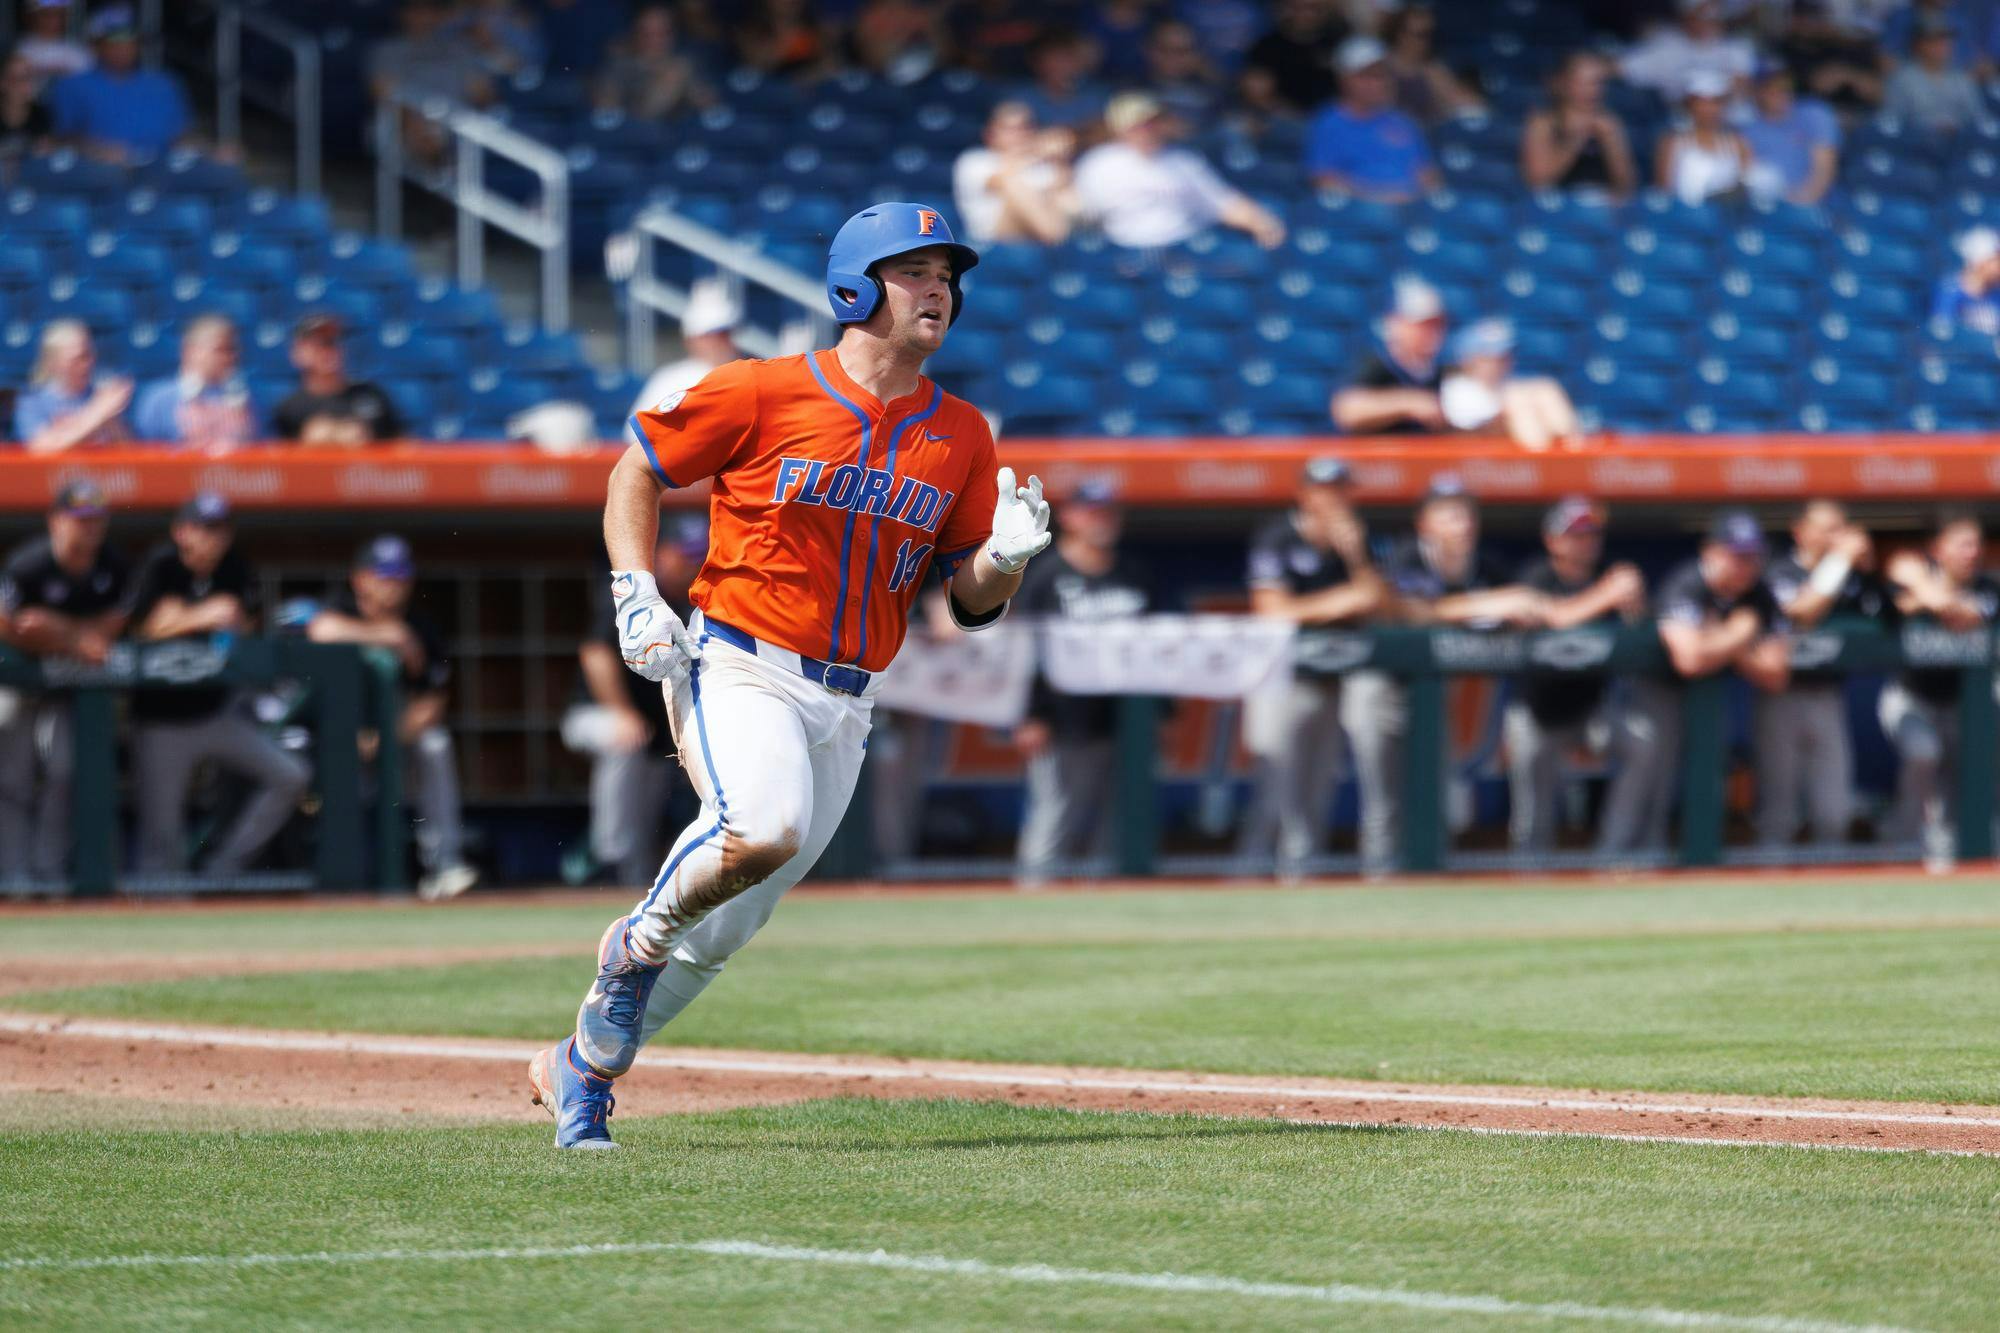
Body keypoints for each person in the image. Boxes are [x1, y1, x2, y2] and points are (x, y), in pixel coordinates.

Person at [526, 201, 1053, 1148]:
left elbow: (970, 604)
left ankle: (582, 1070)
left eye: (948, 275)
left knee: (725, 933)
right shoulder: (760, 389)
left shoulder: (964, 433)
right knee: (761, 827)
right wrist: (634, 587)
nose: (938, 287)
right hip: (740, 662)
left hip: (850, 700)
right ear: (856, 285)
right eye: (915, 269)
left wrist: (1006, 560)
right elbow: (635, 471)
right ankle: (631, 945)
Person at [1341, 476, 1547, 874]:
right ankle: (1378, 889)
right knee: (1384, 805)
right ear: (1425, 523)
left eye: (1466, 513)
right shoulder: (1404, 556)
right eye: (1450, 513)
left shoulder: (1485, 567)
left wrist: (1519, 611)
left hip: (1431, 696)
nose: (1462, 523)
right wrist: (1486, 602)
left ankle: (1430, 891)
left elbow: (1526, 604)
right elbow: (1413, 611)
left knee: (1439, 802)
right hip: (1379, 688)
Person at [125, 492, 310, 879]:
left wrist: (181, 619)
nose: (213, 538)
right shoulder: (159, 565)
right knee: (164, 842)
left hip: (217, 712)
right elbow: (140, 628)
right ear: (181, 531)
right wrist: (204, 615)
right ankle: (156, 921)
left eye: (220, 529)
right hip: (162, 718)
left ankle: (223, 870)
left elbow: (245, 627)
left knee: (290, 775)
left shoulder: (236, 569)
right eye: (203, 528)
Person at [307, 536, 478, 903]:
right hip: (335, 752)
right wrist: (387, 635)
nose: (393, 585)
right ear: (360, 579)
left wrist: (386, 739)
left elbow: (432, 705)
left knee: (435, 744)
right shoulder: (340, 608)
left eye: (400, 575)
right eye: (383, 575)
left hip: (392, 751)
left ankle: (444, 865)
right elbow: (318, 630)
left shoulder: (422, 626)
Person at [1239, 456, 1386, 878]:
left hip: (1331, 679)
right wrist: (1337, 602)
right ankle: (1248, 876)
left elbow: (1376, 600)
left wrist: (1357, 557)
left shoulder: (1358, 539)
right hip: (1279, 678)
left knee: (1318, 789)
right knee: (1275, 788)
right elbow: (1270, 610)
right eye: (1324, 489)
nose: (1334, 498)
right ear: (1305, 493)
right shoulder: (1278, 536)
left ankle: (1301, 879)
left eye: (1341, 489)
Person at [1012, 478, 1162, 888]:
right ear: (1070, 517)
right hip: (1061, 718)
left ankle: (1104, 905)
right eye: (1093, 512)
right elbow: (1026, 653)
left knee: (1118, 820)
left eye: (1109, 512)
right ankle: (1033, 897)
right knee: (1056, 811)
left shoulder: (1135, 574)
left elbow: (1162, 646)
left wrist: (1162, 716)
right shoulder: (1045, 575)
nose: (1103, 521)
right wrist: (1031, 715)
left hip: (1123, 717)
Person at [1504, 498, 1656, 855]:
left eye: (1591, 534)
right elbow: (1555, 617)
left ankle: (1612, 851)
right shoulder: (1535, 575)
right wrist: (1608, 594)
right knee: (1531, 813)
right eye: (1575, 534)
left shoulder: (1610, 575)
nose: (1586, 542)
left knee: (1642, 743)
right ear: (1553, 540)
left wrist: (1634, 602)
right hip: (1538, 711)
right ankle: (1529, 870)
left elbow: (1643, 631)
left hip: (1592, 708)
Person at [564, 516, 707, 887]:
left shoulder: (696, 606)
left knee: (647, 811)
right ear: (661, 553)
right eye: (684, 554)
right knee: (623, 741)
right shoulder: (635, 594)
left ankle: (628, 883)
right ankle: (607, 857)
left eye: (698, 556)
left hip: (654, 734)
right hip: (595, 716)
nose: (691, 564)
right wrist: (622, 712)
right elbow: (594, 654)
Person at [1638, 511, 1792, 852]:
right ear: (1711, 552)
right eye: (1737, 555)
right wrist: (1740, 636)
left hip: (1711, 700)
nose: (1746, 565)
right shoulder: (1686, 582)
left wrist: (1723, 639)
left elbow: (1776, 675)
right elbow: (1689, 660)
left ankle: (1693, 860)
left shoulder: (1759, 594)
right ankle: (1621, 857)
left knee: (1711, 777)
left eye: (1752, 556)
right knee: (1650, 777)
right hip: (1659, 692)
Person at [0, 481, 127, 889]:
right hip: (18, 685)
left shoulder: (113, 565)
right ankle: (14, 873)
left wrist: (56, 631)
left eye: (95, 521)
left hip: (68, 695)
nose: (88, 529)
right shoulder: (28, 564)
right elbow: (8, 626)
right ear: (55, 521)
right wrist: (74, 639)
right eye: (79, 520)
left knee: (63, 775)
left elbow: (108, 632)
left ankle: (48, 872)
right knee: (12, 779)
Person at [1757, 500, 1881, 850]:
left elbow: (1884, 615)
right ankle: (1766, 888)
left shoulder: (1850, 577)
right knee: (1779, 811)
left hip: (1828, 695)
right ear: (1801, 532)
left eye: (1841, 529)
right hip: (1781, 695)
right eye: (1828, 529)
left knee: (1834, 812)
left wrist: (1867, 570)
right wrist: (1840, 561)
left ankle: (1834, 897)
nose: (1837, 538)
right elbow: (1801, 611)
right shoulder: (1780, 570)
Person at [1881, 509, 1999, 871]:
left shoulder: (1987, 587)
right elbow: (1894, 600)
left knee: (1968, 777)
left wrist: (1923, 589)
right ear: (1938, 548)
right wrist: (1917, 587)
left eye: (1975, 545)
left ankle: (1958, 854)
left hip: (1965, 703)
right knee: (1923, 754)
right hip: (1913, 696)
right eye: (1962, 545)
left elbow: (1963, 613)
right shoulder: (1907, 580)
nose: (1971, 553)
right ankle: (1901, 846)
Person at [1074, 92, 1285, 250]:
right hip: (1122, 251)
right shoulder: (1099, 163)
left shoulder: (1183, 161)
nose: (1149, 129)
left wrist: (1260, 223)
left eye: (1154, 122)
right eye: (1141, 124)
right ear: (1120, 127)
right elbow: (1082, 216)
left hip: (1183, 247)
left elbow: (1223, 203)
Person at [46, 7, 192, 162]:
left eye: (129, 41)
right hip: (98, 172)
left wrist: (202, 148)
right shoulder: (71, 85)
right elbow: (60, 139)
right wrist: (95, 150)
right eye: (114, 41)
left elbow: (183, 135)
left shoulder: (165, 84)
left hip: (162, 171)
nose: (123, 48)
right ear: (96, 46)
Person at [1305, 35, 1441, 201]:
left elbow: (1427, 175)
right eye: (1366, 76)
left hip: (1411, 211)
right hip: (1356, 213)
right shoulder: (1328, 123)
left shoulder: (1403, 121)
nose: (1375, 83)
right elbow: (1324, 180)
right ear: (1344, 79)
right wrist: (1383, 199)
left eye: (1380, 76)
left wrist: (1420, 198)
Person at [1440, 318, 1583, 451]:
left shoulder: (1506, 386)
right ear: (1470, 359)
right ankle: (1544, 462)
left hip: (1507, 454)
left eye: (1505, 356)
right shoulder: (1457, 388)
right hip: (1472, 456)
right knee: (1518, 402)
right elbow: (1467, 429)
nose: (1500, 362)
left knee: (1545, 390)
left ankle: (1570, 454)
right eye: (1491, 357)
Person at [1333, 276, 1449, 435]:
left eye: (1436, 324)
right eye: (1422, 325)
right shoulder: (1377, 364)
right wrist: (1409, 403)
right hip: (1375, 458)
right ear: (1396, 324)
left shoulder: (1443, 371)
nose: (1432, 332)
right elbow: (1347, 410)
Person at [953, 100, 1078, 246]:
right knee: (1013, 186)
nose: (1019, 134)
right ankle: (1059, 242)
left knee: (1066, 197)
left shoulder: (1041, 164)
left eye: (1025, 127)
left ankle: (1066, 247)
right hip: (993, 239)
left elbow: (1063, 188)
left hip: (1037, 235)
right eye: (1010, 129)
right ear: (990, 133)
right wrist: (1036, 152)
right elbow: (1000, 181)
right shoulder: (975, 159)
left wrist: (1060, 160)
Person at [132, 316, 264, 450]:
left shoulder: (248, 398)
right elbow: (145, 452)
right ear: (191, 351)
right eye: (220, 350)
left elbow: (262, 449)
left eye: (232, 350)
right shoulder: (160, 399)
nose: (230, 358)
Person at [271, 315, 404, 446]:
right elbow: (275, 459)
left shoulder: (372, 395)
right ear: (298, 353)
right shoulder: (290, 408)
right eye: (320, 344)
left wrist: (365, 441)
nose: (329, 350)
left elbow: (400, 449)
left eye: (334, 342)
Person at [1520, 51, 1638, 198]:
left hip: (1600, 205)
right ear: (1562, 83)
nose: (1593, 90)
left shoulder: (1609, 122)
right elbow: (1538, 180)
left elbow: (1626, 184)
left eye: (1597, 83)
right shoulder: (1542, 123)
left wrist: (1610, 141)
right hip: (1555, 205)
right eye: (1582, 82)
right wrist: (1578, 137)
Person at [625, 280, 745, 423]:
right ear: (692, 340)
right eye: (713, 335)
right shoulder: (670, 380)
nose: (721, 342)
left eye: (725, 334)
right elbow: (637, 434)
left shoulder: (748, 377)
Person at [11, 319, 129, 452]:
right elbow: (42, 449)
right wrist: (98, 414)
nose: (87, 364)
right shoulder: (32, 403)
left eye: (89, 355)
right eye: (78, 359)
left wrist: (112, 421)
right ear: (53, 363)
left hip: (102, 473)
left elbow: (127, 452)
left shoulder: (101, 396)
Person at [1741, 62, 1841, 205]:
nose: (1781, 92)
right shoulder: (1749, 130)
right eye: (1772, 87)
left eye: (1786, 86)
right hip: (1770, 204)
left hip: (1818, 203)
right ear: (1758, 91)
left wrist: (1803, 201)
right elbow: (1749, 175)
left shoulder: (1813, 113)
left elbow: (1824, 170)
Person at [1619, 0, 1755, 103]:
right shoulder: (1666, 45)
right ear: (1687, 18)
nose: (1706, 23)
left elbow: (1740, 85)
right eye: (1700, 17)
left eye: (1712, 17)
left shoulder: (1736, 48)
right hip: (1679, 118)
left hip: (1726, 119)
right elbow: (1624, 67)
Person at [593, 5, 712, 121]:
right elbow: (606, 113)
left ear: (674, 35)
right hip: (631, 138)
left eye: (662, 33)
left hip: (678, 137)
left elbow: (711, 108)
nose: (654, 40)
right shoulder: (618, 65)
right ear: (634, 34)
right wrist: (664, 86)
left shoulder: (686, 64)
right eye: (646, 34)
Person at [1655, 70, 1752, 206]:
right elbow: (1664, 192)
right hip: (1684, 216)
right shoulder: (1671, 143)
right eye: (1702, 103)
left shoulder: (1738, 143)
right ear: (1690, 106)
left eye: (1715, 102)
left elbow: (1747, 186)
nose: (1708, 109)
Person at [1241, 0, 1345, 117]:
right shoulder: (1267, 45)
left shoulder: (1340, 41)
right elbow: (1256, 92)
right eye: (1296, 7)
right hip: (1283, 116)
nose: (1304, 13)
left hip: (1334, 115)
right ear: (1284, 9)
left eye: (1312, 8)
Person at [1379, 5, 1481, 125]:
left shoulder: (1434, 71)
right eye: (1421, 34)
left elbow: (1469, 106)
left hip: (1428, 137)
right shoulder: (1380, 68)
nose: (1428, 41)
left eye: (1430, 34)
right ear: (1401, 35)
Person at [1885, 14, 1983, 133]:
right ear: (1918, 45)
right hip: (1915, 145)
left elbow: (1978, 119)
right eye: (1935, 41)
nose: (1943, 46)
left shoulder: (1962, 78)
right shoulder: (1902, 79)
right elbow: (1891, 123)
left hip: (1959, 144)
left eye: (1946, 40)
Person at [1011, 26, 1105, 130]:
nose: (1061, 65)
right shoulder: (1021, 98)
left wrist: (1077, 136)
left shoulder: (1096, 95)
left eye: (1066, 58)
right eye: (1053, 58)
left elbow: (1104, 129)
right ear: (1036, 63)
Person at [1143, 19, 1226, 123]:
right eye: (1163, 49)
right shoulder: (1130, 89)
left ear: (1197, 54)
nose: (1172, 57)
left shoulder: (1213, 93)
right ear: (1148, 50)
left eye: (1182, 51)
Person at [1930, 226, 2000, 333]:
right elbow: (1941, 331)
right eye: (1995, 259)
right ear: (1980, 261)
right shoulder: (1948, 291)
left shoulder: (1996, 296)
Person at [13, 0, 92, 93]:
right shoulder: (20, 48)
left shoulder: (78, 51)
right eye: (47, 14)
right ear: (33, 16)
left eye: (59, 15)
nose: (54, 20)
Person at [0, 48, 54, 168]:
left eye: (25, 78)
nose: (19, 85)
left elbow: (45, 156)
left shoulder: (41, 114)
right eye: (13, 78)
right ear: (2, 82)